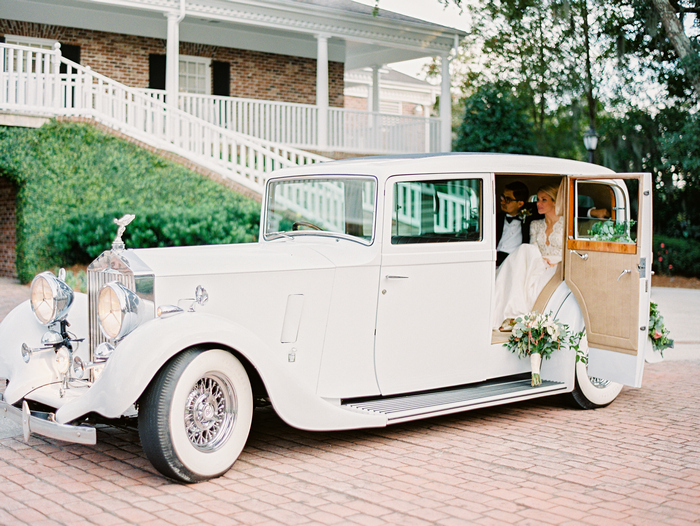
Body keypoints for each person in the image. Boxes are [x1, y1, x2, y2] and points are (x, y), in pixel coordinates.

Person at [492, 183, 564, 331]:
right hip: (537, 262)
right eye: (537, 199)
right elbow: (533, 249)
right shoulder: (535, 224)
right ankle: (511, 314)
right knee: (526, 250)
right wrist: (542, 261)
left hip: (558, 267)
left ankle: (515, 315)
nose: (538, 203)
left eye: (544, 200)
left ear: (556, 202)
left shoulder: (566, 224)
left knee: (525, 253)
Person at [496, 182, 537, 266]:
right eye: (502, 197)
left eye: (507, 199)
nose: (502, 202)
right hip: (494, 259)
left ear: (520, 204)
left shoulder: (529, 220)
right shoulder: (495, 218)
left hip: (514, 263)